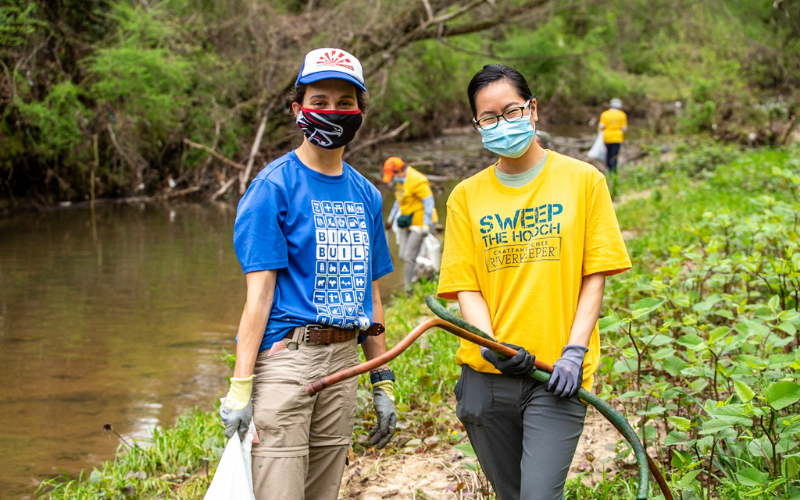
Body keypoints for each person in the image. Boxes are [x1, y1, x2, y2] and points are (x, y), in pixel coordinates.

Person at [437, 64, 631, 500]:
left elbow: (594, 276)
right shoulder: (465, 196)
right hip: (487, 376)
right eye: (488, 118)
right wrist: (491, 344)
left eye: (511, 111)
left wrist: (575, 353)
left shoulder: (583, 181)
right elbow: (465, 285)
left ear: (533, 109)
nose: (501, 124)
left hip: (556, 377)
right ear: (477, 125)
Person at [221, 48, 397, 500]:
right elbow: (258, 298)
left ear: (359, 111)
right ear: (299, 108)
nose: (333, 112)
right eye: (320, 101)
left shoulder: (366, 195)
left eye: (345, 103)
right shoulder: (272, 187)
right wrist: (240, 389)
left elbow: (370, 294)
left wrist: (382, 378)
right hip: (287, 361)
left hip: (344, 363)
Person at [383, 157, 438, 291]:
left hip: (421, 222)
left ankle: (408, 290)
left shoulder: (418, 180)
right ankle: (421, 270)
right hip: (407, 221)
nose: (393, 179)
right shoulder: (399, 182)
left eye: (393, 176)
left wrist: (426, 226)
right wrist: (390, 218)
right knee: (403, 255)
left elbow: (429, 203)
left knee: (408, 257)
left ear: (400, 170)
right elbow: (398, 200)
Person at [599, 98, 628, 174]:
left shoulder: (605, 114)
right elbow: (624, 128)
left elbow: (601, 126)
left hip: (607, 137)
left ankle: (608, 170)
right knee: (614, 155)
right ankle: (614, 171)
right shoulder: (622, 115)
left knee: (608, 154)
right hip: (617, 138)